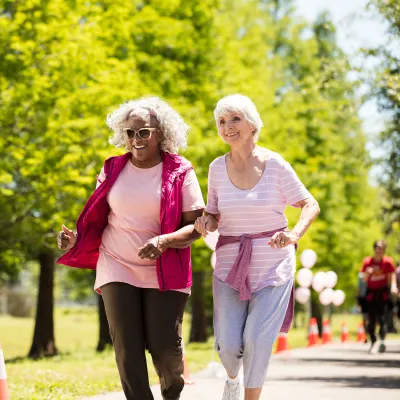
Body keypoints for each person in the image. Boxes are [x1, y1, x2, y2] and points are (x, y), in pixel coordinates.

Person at [57, 97, 205, 400]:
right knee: (126, 346)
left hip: (164, 269)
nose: (136, 139)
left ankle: (172, 390)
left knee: (164, 348)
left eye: (144, 132)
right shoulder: (112, 168)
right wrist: (76, 241)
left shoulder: (181, 171)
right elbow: (98, 218)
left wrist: (164, 241)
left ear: (161, 134)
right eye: (130, 133)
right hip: (116, 263)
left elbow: (196, 227)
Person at [194, 94, 320, 400]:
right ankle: (232, 380)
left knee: (257, 340)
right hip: (228, 267)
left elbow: (309, 204)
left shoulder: (275, 165)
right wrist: (205, 223)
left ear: (252, 124)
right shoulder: (215, 168)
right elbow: (213, 213)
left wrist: (293, 235)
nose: (227, 127)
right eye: (222, 121)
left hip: (273, 267)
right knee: (227, 346)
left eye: (235, 119)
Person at [361, 240, 398, 354]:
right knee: (371, 320)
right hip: (371, 293)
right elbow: (364, 279)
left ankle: (382, 340)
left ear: (384, 250)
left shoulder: (387, 262)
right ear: (374, 249)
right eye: (377, 248)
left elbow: (391, 275)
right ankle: (373, 341)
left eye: (381, 248)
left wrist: (393, 286)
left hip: (383, 292)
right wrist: (367, 272)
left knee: (382, 318)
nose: (379, 250)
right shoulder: (368, 262)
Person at [356, 271, 368, 343]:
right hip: (364, 299)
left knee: (366, 319)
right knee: (365, 318)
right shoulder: (361, 275)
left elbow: (359, 289)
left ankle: (368, 335)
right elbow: (359, 289)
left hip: (369, 299)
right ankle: (366, 335)